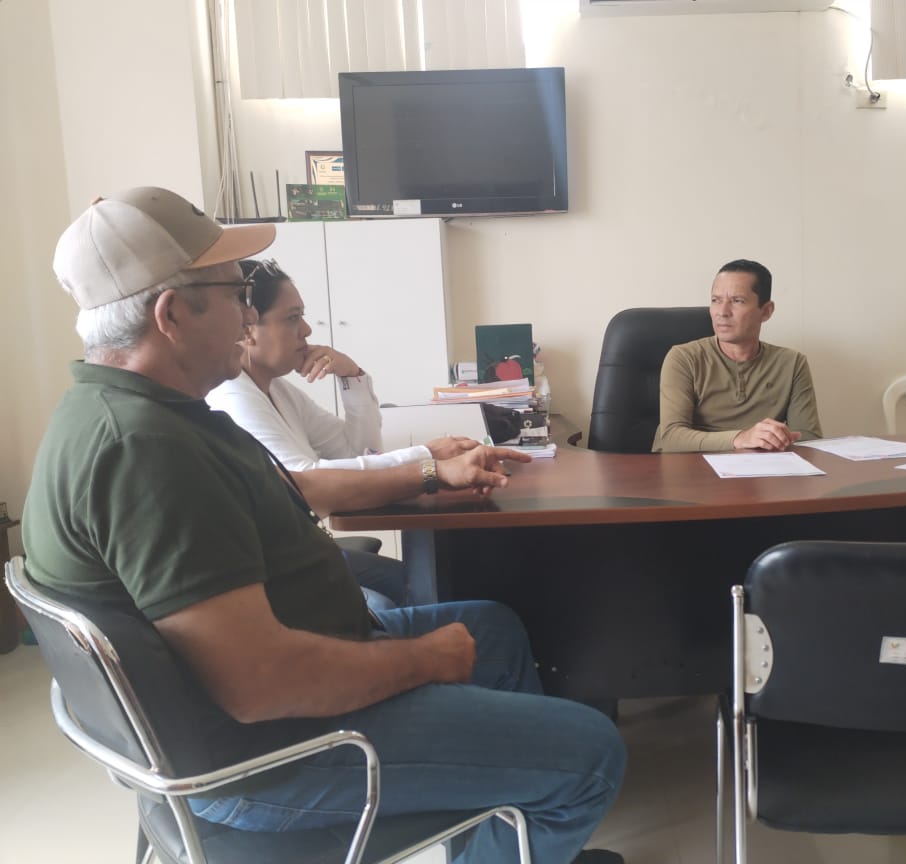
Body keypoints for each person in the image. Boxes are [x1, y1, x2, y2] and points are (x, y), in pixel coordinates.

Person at [22, 186, 626, 864]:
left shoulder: (138, 414)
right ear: (171, 314)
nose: (246, 314)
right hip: (280, 752)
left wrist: (428, 471)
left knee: (494, 630)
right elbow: (261, 684)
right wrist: (425, 659)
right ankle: (523, 812)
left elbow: (297, 485)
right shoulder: (146, 451)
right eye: (235, 293)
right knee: (592, 753)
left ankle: (507, 833)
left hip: (293, 680)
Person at [205, 258, 476, 610]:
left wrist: (353, 377)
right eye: (292, 318)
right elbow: (305, 482)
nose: (306, 330)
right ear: (247, 327)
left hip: (304, 552)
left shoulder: (277, 389)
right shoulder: (232, 397)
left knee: (438, 586)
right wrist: (427, 458)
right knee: (399, 602)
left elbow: (359, 451)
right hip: (277, 573)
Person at [653, 258, 822, 453]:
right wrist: (741, 438)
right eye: (716, 300)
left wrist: (777, 440)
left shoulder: (792, 363)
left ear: (766, 311)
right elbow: (671, 438)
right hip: (693, 466)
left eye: (737, 301)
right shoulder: (684, 358)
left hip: (762, 467)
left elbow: (807, 439)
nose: (722, 312)